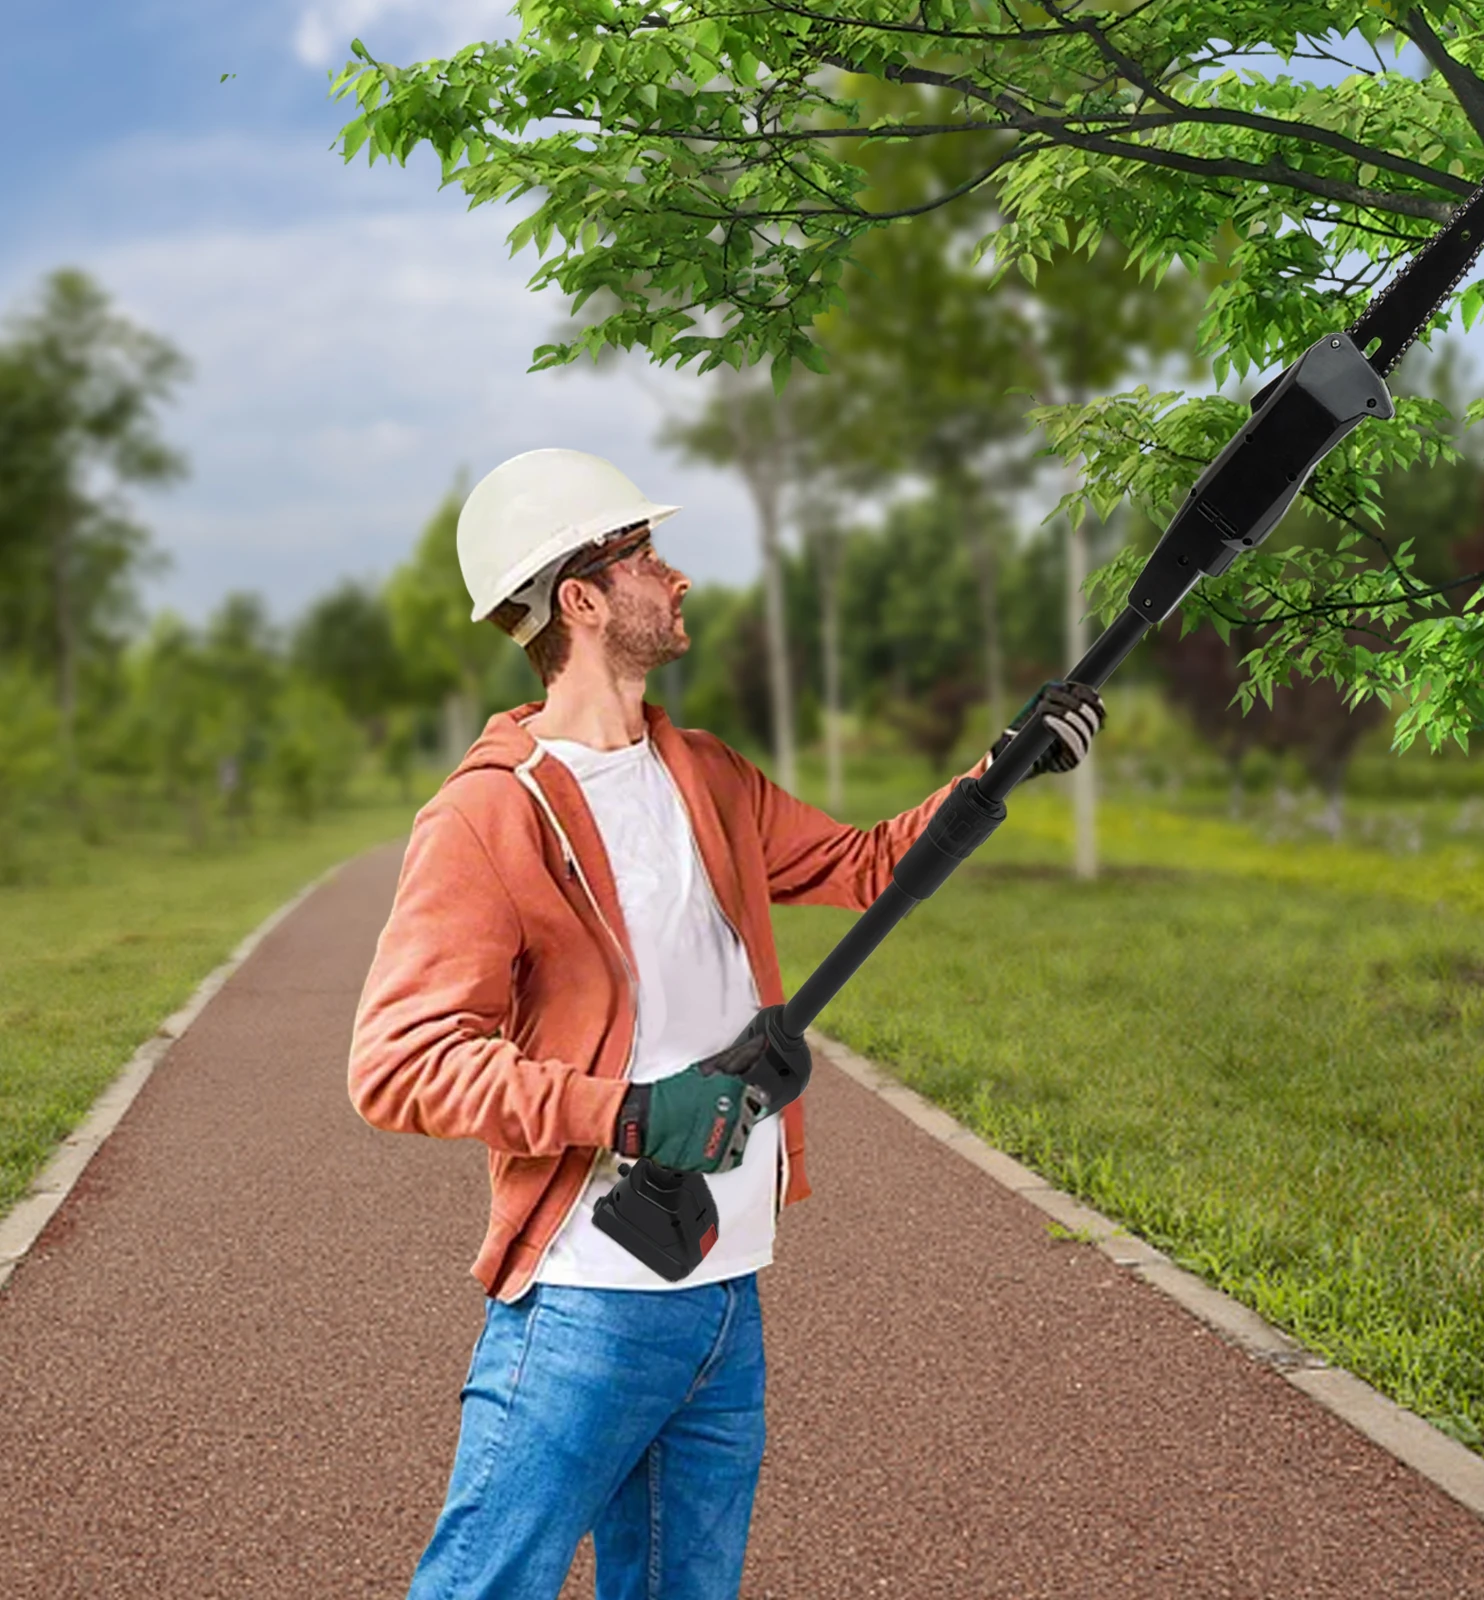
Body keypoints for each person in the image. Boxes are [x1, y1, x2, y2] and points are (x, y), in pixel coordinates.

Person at [347, 448, 1105, 1600]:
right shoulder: (486, 815)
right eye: (643, 553)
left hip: (722, 1289)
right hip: (589, 1299)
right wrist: (630, 1113)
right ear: (582, 598)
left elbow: (863, 866)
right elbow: (399, 1064)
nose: (678, 575)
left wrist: (999, 771)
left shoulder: (700, 771)